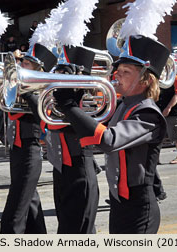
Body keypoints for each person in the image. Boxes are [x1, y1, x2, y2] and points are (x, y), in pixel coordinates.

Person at [53, 35, 169, 233]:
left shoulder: (148, 114)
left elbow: (108, 140)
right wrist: (76, 98)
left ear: (146, 79)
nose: (117, 75)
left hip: (139, 208)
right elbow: (89, 126)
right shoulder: (123, 105)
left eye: (126, 72)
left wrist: (69, 105)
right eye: (119, 70)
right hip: (118, 203)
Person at [41, 45, 99, 233]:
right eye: (57, 71)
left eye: (63, 72)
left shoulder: (88, 99)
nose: (57, 76)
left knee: (77, 230)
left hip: (78, 166)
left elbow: (81, 127)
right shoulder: (58, 97)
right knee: (67, 226)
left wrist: (70, 101)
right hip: (61, 167)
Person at [0, 43, 57, 234]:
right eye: (22, 62)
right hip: (17, 151)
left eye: (26, 63)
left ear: (39, 70)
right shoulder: (21, 89)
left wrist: (27, 90)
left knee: (13, 216)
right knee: (31, 207)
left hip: (30, 152)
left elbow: (42, 115)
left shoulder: (43, 92)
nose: (21, 66)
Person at [157, 72, 177, 164]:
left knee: (176, 134)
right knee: (157, 136)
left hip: (174, 112)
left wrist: (168, 107)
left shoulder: (175, 77)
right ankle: (156, 158)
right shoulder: (157, 77)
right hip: (159, 109)